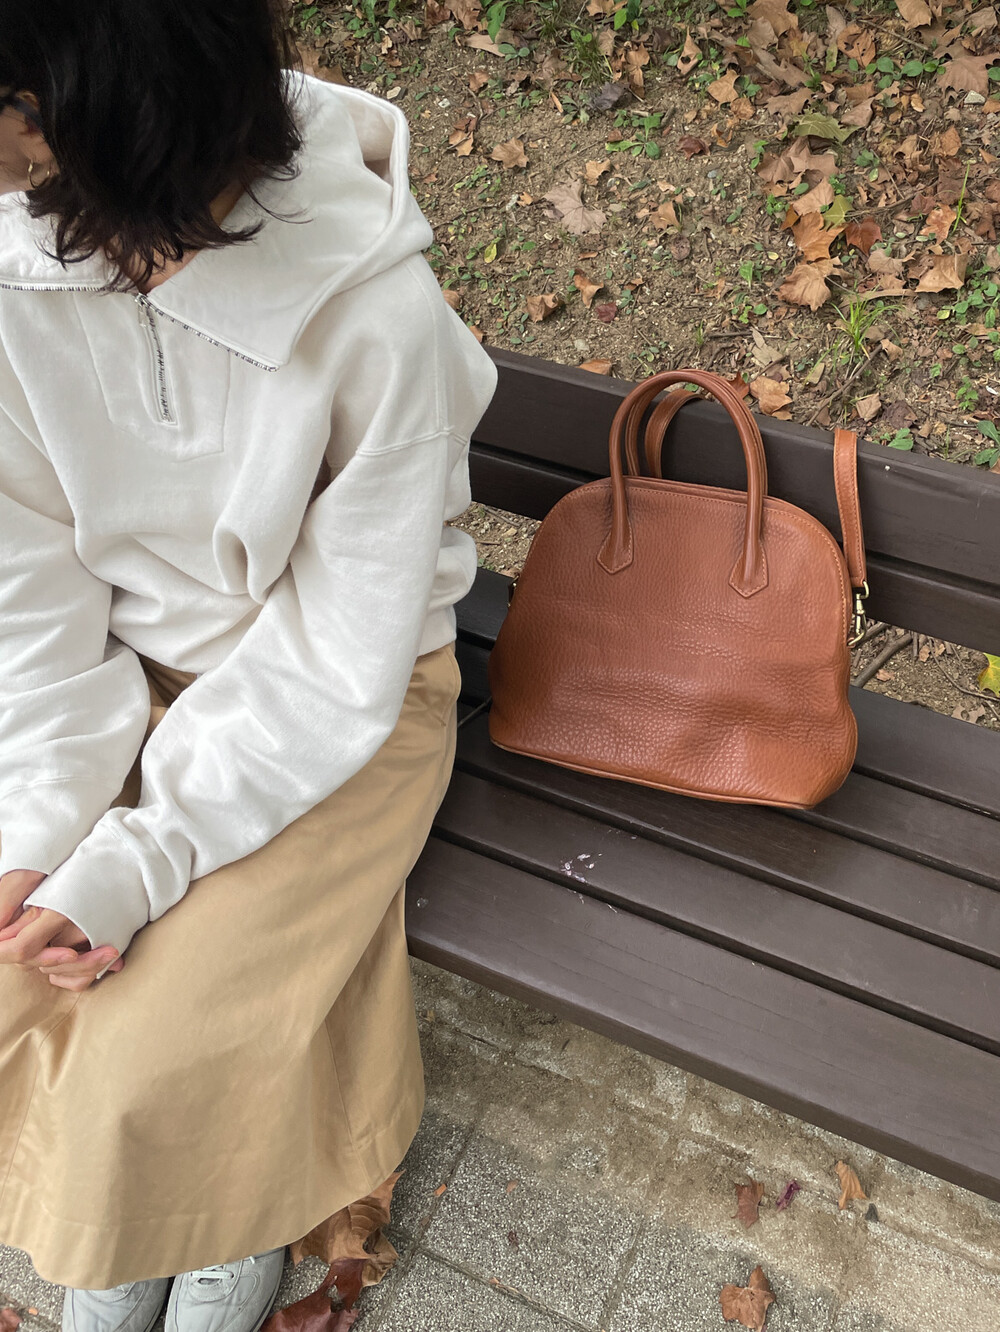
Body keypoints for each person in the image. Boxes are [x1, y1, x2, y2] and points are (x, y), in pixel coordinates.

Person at [0, 2, 498, 1330]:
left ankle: (223, 1220)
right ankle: (180, 1215)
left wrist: (135, 858)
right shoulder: (12, 268)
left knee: (142, 1048)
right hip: (130, 670)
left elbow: (340, 663)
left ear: (67, 111)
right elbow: (33, 598)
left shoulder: (374, 313)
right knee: (21, 970)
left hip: (351, 703)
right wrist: (35, 825)